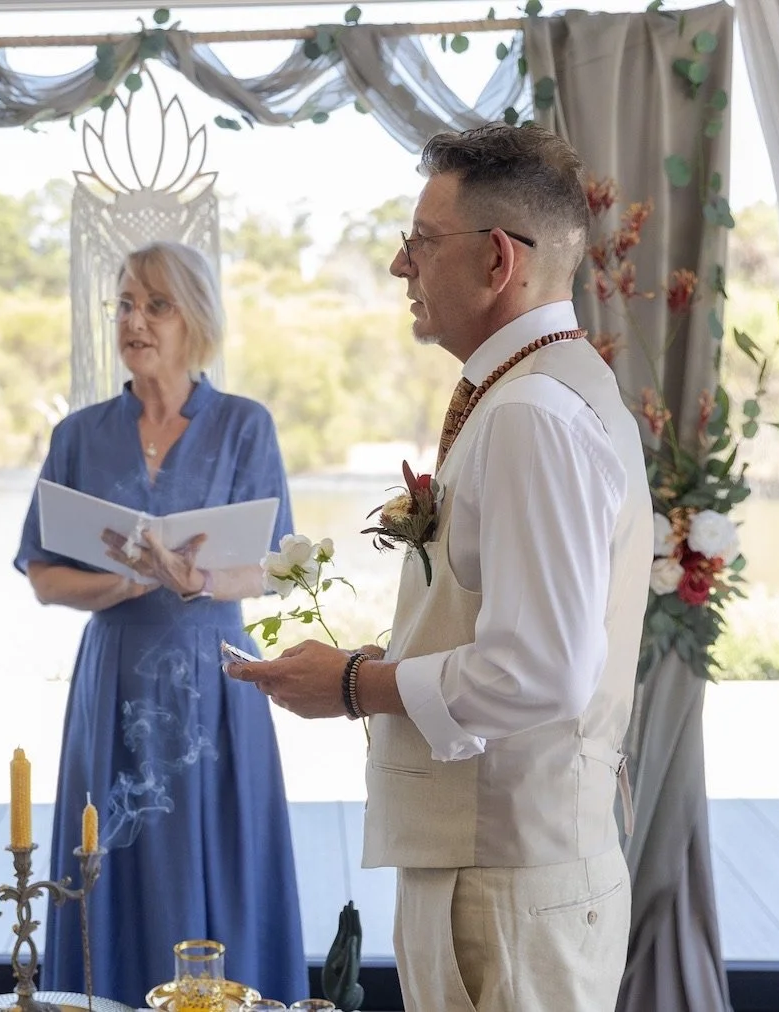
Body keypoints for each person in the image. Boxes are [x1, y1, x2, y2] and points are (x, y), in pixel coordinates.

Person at [228, 123, 652, 1012]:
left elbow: (538, 672)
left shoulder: (532, 413)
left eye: (419, 241)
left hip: (505, 884)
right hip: (502, 873)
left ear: (497, 261)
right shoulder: (546, 388)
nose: (398, 266)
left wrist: (352, 684)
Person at [14, 240, 306, 1003]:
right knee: (109, 862)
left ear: (194, 320)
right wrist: (117, 584)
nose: (133, 320)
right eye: (123, 304)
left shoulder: (246, 425)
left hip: (218, 674)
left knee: (224, 859)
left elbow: (279, 565)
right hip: (111, 676)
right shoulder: (77, 434)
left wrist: (197, 579)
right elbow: (43, 576)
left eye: (155, 304)